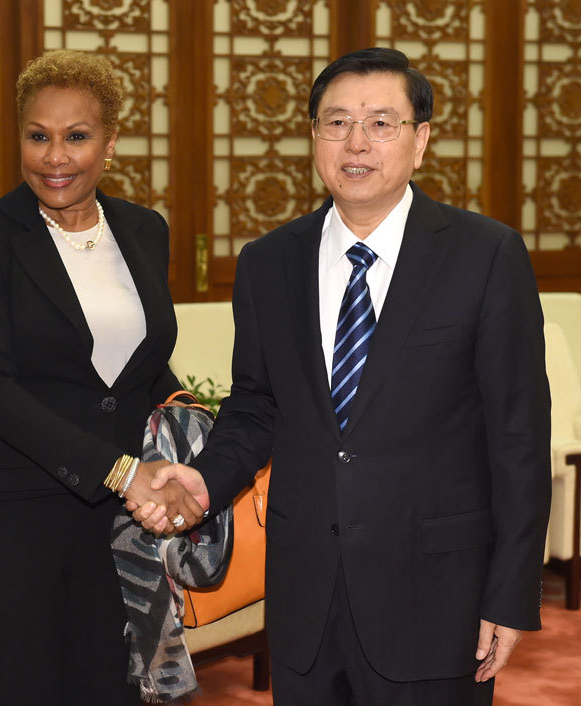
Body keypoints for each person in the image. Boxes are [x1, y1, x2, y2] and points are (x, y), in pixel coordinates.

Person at [132, 48, 551, 705]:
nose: (356, 142)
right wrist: (204, 478)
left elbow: (519, 438)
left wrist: (511, 593)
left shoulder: (486, 255)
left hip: (437, 597)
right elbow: (257, 408)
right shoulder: (269, 263)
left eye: (382, 123)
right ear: (314, 138)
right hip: (306, 597)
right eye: (336, 122)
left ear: (421, 142)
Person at [0, 49, 205, 705]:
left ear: (109, 143)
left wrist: (193, 444)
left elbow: (140, 363)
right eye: (38, 136)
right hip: (1, 514)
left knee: (105, 688)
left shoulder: (143, 229)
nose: (54, 157)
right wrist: (121, 469)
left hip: (107, 524)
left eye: (76, 136)